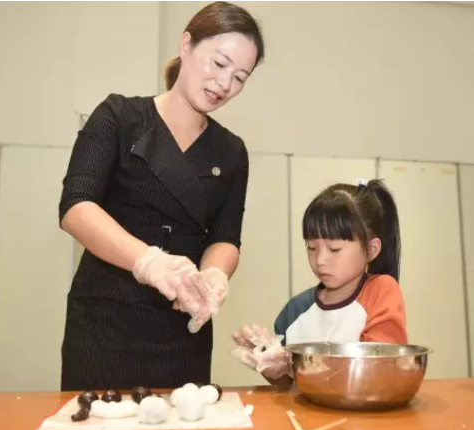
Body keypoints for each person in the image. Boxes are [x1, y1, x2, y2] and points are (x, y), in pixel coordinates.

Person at [58, 1, 265, 391]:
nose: (225, 84)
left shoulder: (231, 151)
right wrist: (149, 262)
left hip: (183, 326)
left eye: (240, 77)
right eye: (219, 64)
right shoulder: (120, 117)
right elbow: (76, 206)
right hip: (106, 320)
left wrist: (214, 276)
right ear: (186, 44)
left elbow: (225, 236)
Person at [232, 179, 407, 386]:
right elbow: (288, 387)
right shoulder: (296, 309)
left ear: (371, 249)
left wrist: (295, 366)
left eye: (334, 249)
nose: (320, 260)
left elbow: (380, 369)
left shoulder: (381, 291)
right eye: (311, 248)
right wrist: (267, 361)